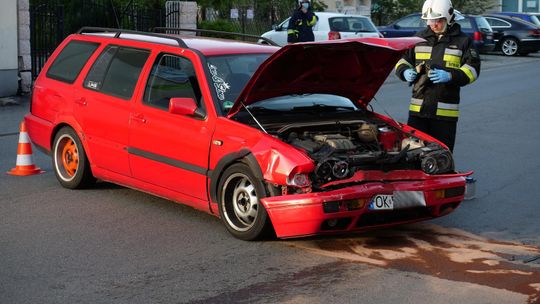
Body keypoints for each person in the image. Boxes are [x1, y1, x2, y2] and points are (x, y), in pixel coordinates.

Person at [395, 0, 480, 152]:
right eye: (430, 21)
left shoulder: (463, 41)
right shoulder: (419, 39)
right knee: (412, 153)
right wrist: (404, 71)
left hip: (444, 115)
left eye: (438, 21)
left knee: (441, 155)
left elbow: (473, 69)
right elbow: (403, 61)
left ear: (449, 18)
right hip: (418, 112)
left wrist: (451, 76)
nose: (433, 25)